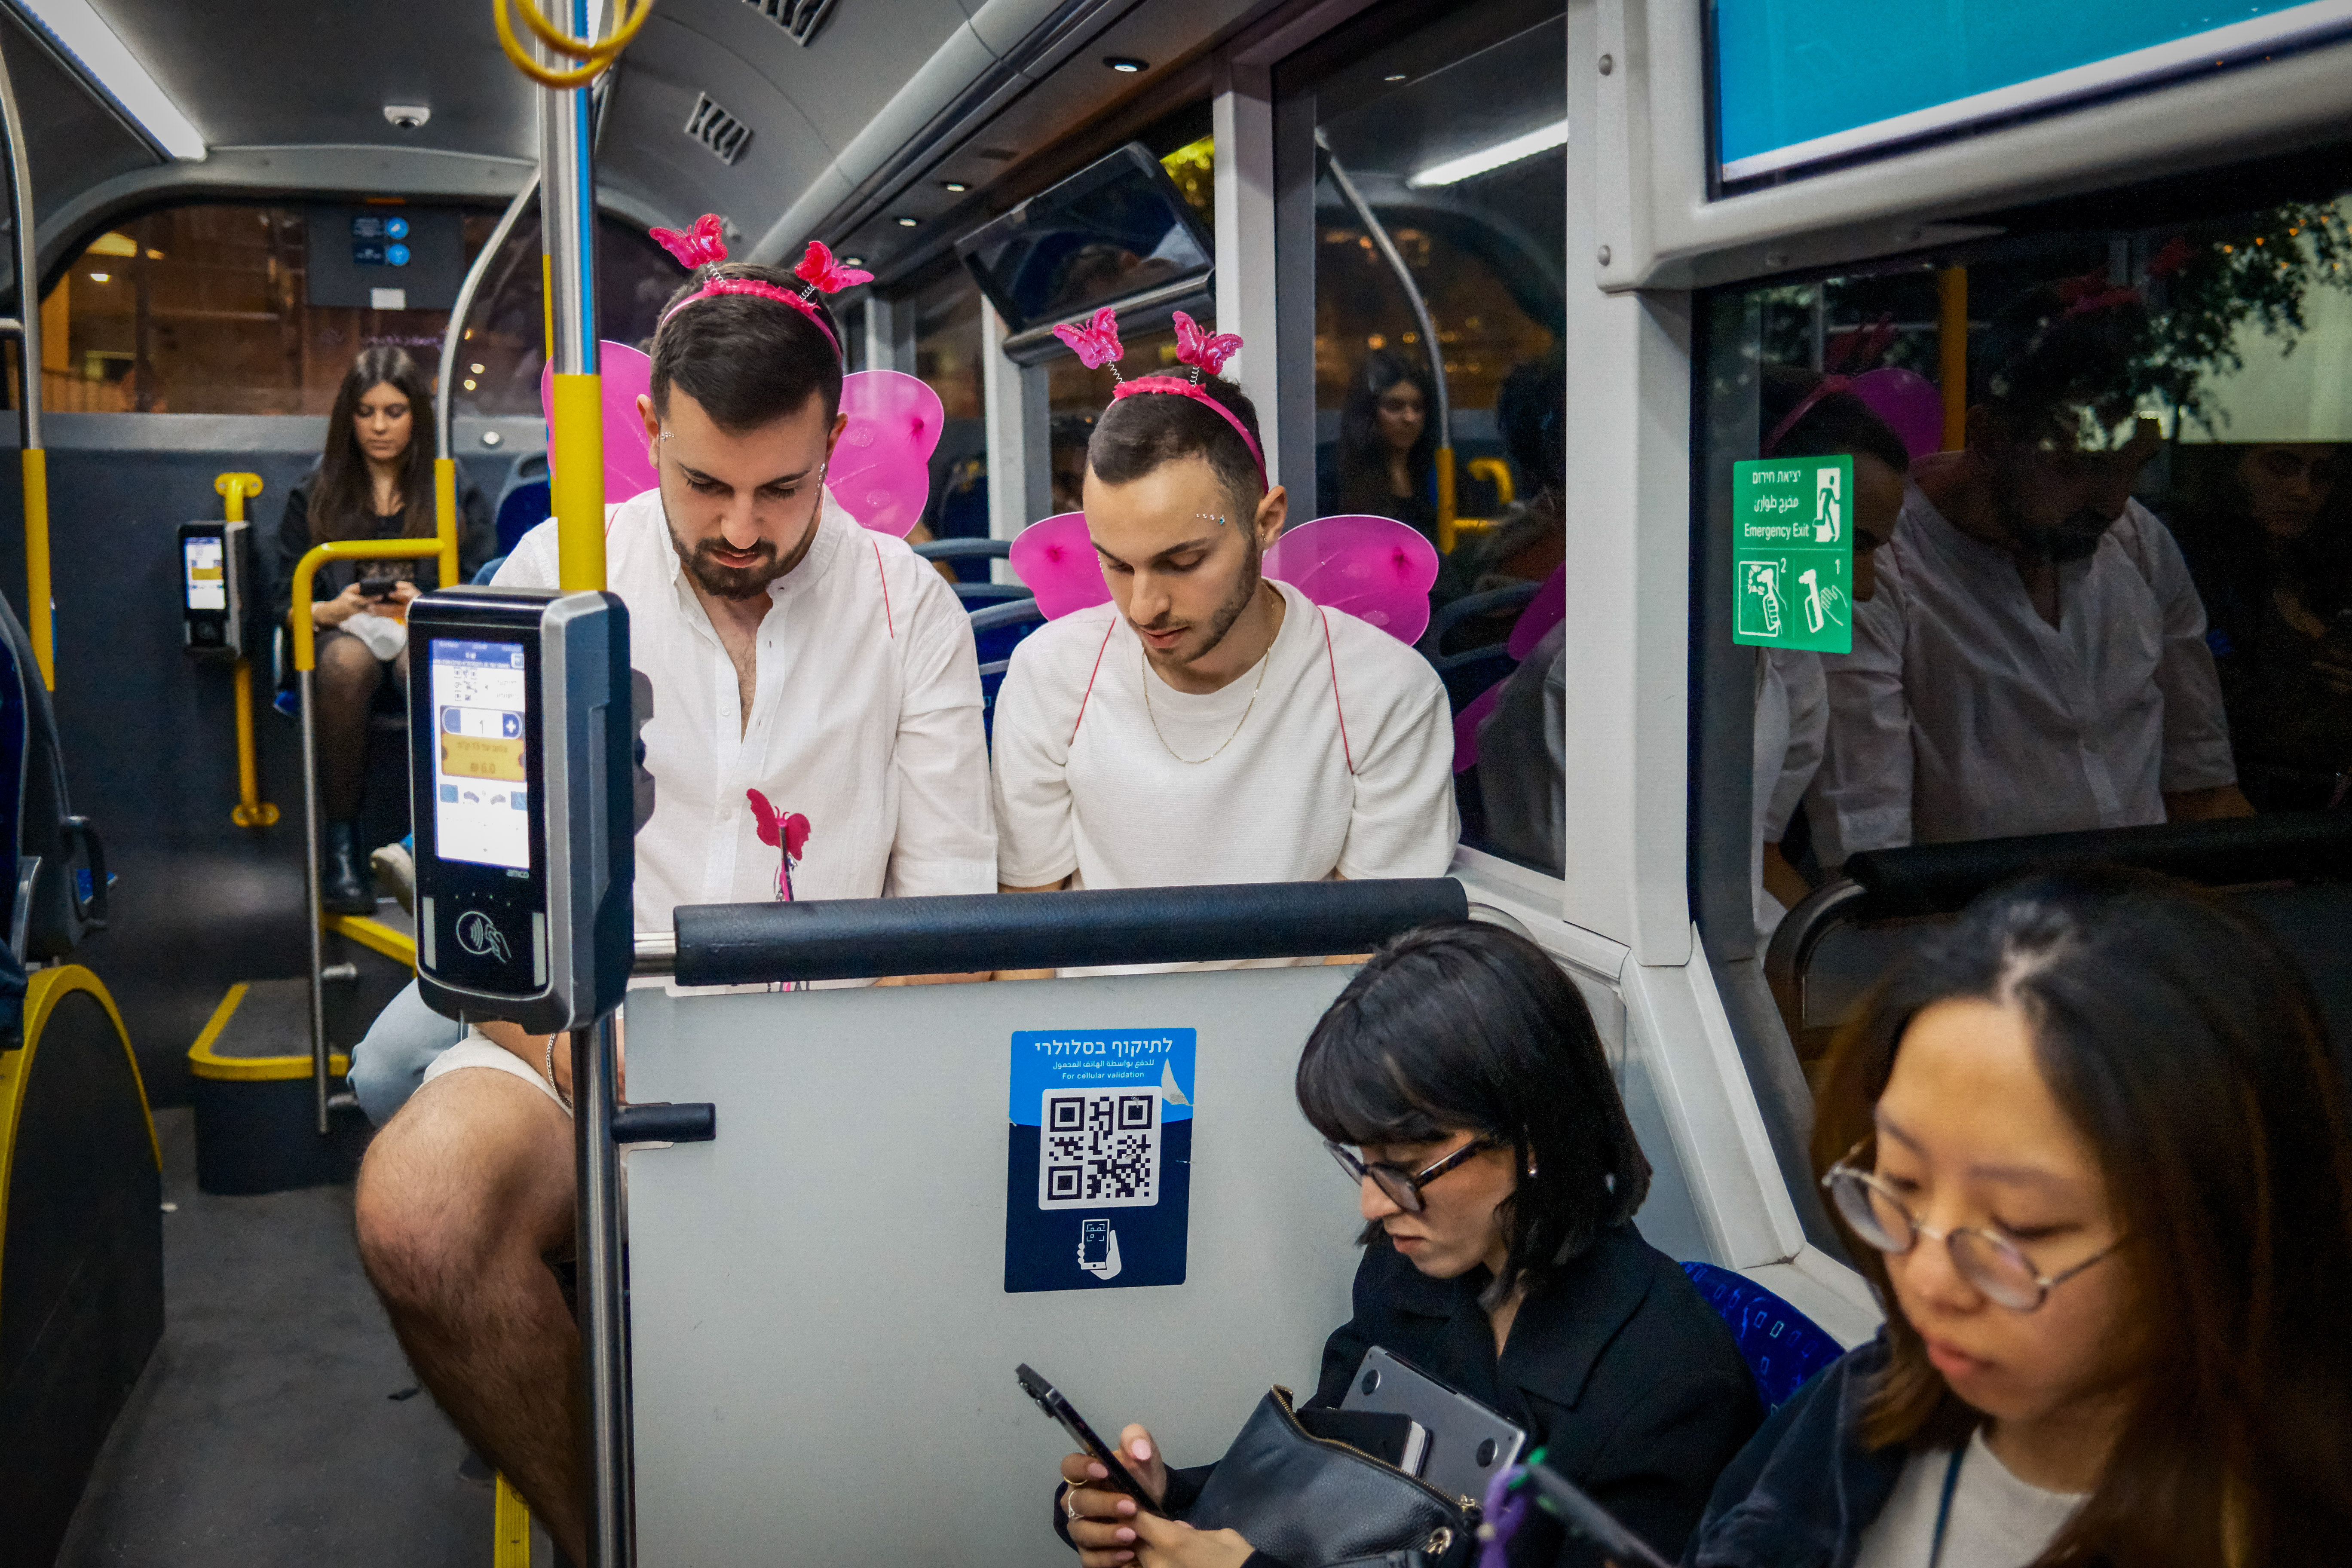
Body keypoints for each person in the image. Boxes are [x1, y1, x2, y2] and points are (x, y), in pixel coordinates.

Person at [352, 225, 996, 1564]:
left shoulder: (911, 610)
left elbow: (946, 926)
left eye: (783, 489)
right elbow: (486, 928)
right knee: (419, 1209)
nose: (743, 530)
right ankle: (610, 1534)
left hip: (831, 1061)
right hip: (579, 1050)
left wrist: (823, 1104)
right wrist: (583, 1061)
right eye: (707, 485)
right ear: (647, 432)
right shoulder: (552, 579)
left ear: (833, 446)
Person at [1686, 868, 2352, 1566]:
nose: (1927, 1281)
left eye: (2022, 1225)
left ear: (2218, 1227)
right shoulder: (1861, 1407)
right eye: (1901, 1183)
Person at [1052, 922, 1764, 1568]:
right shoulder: (1410, 1271)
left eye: (1409, 1166)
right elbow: (1327, 1482)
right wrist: (1163, 1503)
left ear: (1533, 1137)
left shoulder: (1670, 1390)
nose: (1373, 1204)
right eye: (1363, 1163)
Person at [991, 318, 1456, 937]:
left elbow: (1364, 952)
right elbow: (1026, 934)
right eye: (1117, 565)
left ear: (1267, 521)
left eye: (1183, 562)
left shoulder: (1385, 694)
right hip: (1100, 1004)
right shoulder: (1052, 674)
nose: (1143, 608)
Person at [1808, 280, 2253, 866]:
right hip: (1970, 919)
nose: (2114, 503)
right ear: (1989, 439)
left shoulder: (2140, 542)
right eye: (2081, 465)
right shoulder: (1875, 567)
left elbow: (2205, 791)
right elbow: (1868, 848)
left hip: (2147, 907)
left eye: (2135, 467)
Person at [270, 346, 495, 913]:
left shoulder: (450, 488)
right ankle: (343, 848)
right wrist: (332, 609)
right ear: (348, 417)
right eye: (366, 412)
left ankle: (441, 848)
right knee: (345, 665)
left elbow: (483, 582)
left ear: (416, 415)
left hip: (422, 632)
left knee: (431, 668)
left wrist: (426, 604)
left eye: (394, 412)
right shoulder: (314, 492)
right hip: (343, 638)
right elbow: (284, 601)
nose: (378, 427)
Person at [1747, 367, 1903, 939]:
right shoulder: (1606, 678)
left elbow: (1757, 854)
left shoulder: (1791, 668)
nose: (1863, 587)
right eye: (1848, 542)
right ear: (1761, 498)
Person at [2174, 441, 2352, 810]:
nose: (2303, 491)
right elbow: (2207, 711)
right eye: (2281, 466)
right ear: (2230, 467)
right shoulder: (2187, 571)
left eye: (2323, 475)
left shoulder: (2325, 574)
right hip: (2229, 806)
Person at [1334, 348, 1439, 542]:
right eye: (1394, 406)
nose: (1410, 418)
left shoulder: (1440, 473)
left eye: (1418, 407)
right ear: (1368, 411)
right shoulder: (1334, 474)